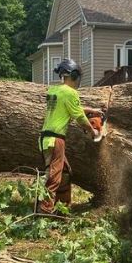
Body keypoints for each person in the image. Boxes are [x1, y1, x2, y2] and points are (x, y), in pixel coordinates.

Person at [38, 59, 100, 214]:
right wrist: (94, 132)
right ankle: (43, 212)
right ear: (73, 75)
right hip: (55, 140)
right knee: (53, 177)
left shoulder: (54, 90)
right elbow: (79, 118)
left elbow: (71, 108)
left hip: (45, 138)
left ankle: (62, 209)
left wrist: (91, 109)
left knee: (65, 173)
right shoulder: (71, 92)